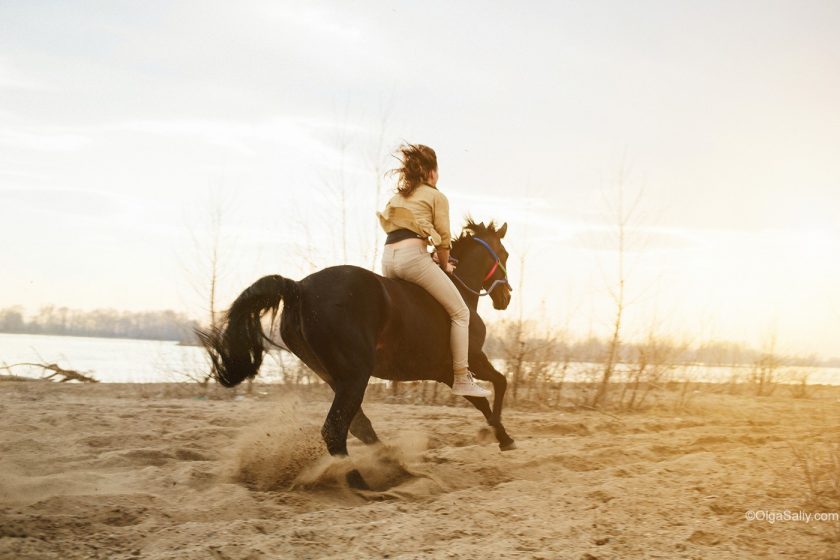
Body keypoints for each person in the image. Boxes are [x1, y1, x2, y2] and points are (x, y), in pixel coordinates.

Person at [377, 144, 491, 398]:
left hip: (388, 258)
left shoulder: (398, 197)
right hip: (412, 259)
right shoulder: (436, 196)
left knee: (400, 312)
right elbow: (443, 241)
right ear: (430, 172)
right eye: (437, 171)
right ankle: (462, 376)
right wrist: (444, 263)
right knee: (461, 313)